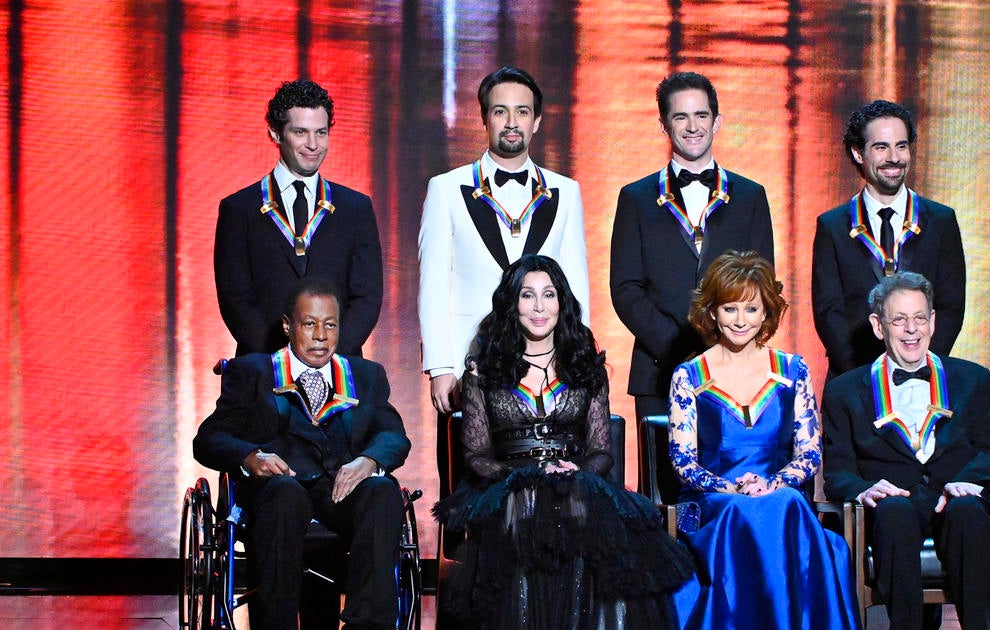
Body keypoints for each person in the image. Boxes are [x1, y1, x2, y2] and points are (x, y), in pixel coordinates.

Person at [432, 254, 693, 629]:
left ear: (562, 302)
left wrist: (576, 470)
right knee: (525, 502)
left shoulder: (586, 366)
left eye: (549, 295)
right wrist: (520, 475)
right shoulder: (481, 369)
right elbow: (476, 454)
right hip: (505, 481)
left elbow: (602, 450)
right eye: (527, 295)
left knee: (581, 505)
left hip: (575, 476)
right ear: (512, 303)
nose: (539, 307)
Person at [194, 277, 410, 630]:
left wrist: (368, 461)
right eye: (309, 324)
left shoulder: (365, 375)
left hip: (338, 490)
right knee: (285, 495)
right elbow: (208, 438)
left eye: (330, 325)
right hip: (277, 492)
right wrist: (251, 457)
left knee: (383, 492)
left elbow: (394, 435)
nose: (321, 336)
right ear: (287, 326)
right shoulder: (253, 372)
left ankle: (366, 624)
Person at [419, 66, 589, 495]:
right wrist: (441, 367)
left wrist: (577, 357)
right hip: (469, 364)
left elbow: (574, 286)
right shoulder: (446, 188)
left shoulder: (565, 191)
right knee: (467, 483)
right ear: (484, 118)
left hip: (545, 366)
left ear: (537, 121)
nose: (511, 122)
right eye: (500, 111)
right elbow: (433, 284)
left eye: (522, 111)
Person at [668, 251, 859, 629]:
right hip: (714, 502)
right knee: (743, 512)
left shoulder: (793, 370)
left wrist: (771, 483)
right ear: (712, 312)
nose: (740, 320)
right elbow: (683, 462)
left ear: (767, 313)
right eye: (730, 309)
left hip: (780, 495)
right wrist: (731, 487)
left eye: (751, 309)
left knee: (785, 503)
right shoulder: (688, 375)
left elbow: (809, 453)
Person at [822, 271, 990, 630]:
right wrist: (866, 490)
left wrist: (968, 483)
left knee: (968, 512)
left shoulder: (973, 379)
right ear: (878, 326)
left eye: (919, 318)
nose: (911, 330)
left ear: (932, 321)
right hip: (893, 507)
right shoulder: (844, 391)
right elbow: (838, 474)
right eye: (899, 319)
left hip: (956, 501)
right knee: (894, 512)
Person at [611, 71, 774, 422]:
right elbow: (625, 289)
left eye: (701, 115)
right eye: (680, 117)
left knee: (735, 473)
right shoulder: (635, 198)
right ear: (664, 125)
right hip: (658, 369)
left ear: (717, 122)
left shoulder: (751, 197)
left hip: (737, 369)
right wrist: (678, 347)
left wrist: (727, 345)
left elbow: (764, 285)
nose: (692, 126)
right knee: (662, 477)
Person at [214, 79, 383, 357]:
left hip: (338, 372)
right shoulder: (238, 209)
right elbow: (235, 300)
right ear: (276, 133)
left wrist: (327, 358)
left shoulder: (356, 208)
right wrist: (285, 363)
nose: (313, 144)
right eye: (301, 132)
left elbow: (367, 297)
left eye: (321, 132)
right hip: (264, 371)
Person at [812, 99, 965, 378]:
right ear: (859, 153)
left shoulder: (941, 222)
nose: (894, 157)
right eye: (881, 147)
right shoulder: (832, 226)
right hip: (853, 383)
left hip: (924, 379)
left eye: (902, 146)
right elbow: (828, 313)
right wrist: (865, 378)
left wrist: (917, 366)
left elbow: (951, 308)